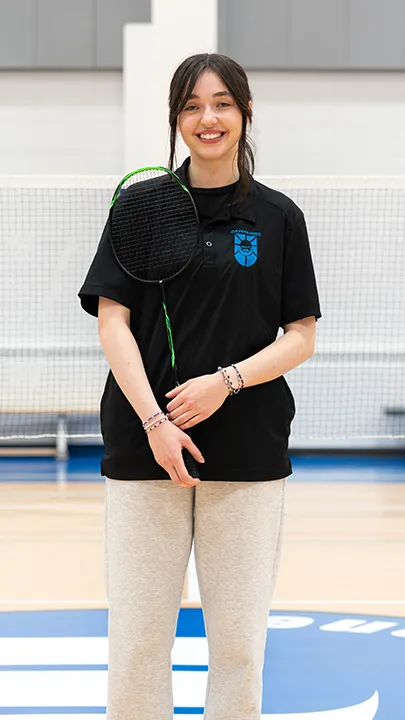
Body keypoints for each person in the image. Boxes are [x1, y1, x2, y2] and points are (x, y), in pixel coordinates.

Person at [79, 52, 321, 720]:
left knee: (239, 645)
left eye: (220, 103)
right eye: (190, 106)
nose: (206, 118)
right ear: (174, 120)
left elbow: (299, 334)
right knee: (136, 642)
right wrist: (156, 423)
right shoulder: (142, 209)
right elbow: (113, 320)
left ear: (244, 114)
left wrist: (226, 382)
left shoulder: (277, 218)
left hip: (246, 451)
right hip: (142, 449)